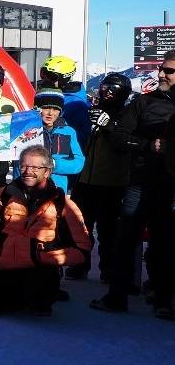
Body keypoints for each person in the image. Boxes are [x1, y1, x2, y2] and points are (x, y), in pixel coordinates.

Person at [92, 52, 175, 318]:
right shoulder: (143, 102)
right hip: (141, 181)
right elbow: (117, 136)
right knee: (126, 238)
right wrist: (148, 145)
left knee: (167, 242)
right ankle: (117, 295)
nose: (161, 74)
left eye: (169, 71)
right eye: (162, 69)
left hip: (172, 185)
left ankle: (163, 298)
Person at [0, 145, 91, 316]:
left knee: (38, 304)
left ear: (47, 171)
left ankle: (40, 295)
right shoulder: (5, 194)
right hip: (7, 266)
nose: (28, 171)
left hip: (39, 269)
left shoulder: (62, 203)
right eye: (23, 166)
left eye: (35, 167)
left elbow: (82, 248)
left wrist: (45, 257)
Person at [68, 73, 132, 280]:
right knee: (81, 225)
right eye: (105, 88)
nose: (108, 93)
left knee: (108, 229)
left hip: (112, 181)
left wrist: (110, 127)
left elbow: (127, 144)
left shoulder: (128, 115)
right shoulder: (91, 112)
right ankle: (80, 264)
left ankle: (108, 267)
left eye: (114, 89)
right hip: (85, 178)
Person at [16, 88, 83, 193]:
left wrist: (54, 164)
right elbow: (18, 162)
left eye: (55, 109)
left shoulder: (68, 132)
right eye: (46, 108)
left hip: (57, 190)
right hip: (26, 189)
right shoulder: (24, 130)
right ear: (37, 109)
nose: (50, 113)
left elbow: (78, 162)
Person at [37, 54, 91, 150]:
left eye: (51, 76)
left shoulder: (76, 104)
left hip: (59, 152)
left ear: (63, 79)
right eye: (43, 74)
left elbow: (80, 137)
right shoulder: (46, 93)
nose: (45, 79)